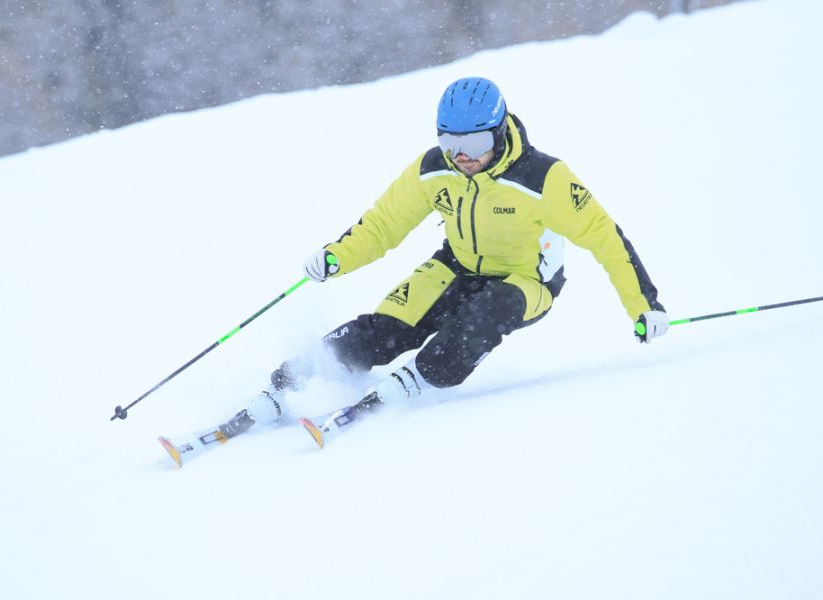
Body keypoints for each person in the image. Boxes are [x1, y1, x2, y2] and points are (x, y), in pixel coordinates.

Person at [214, 76, 669, 446]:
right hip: (457, 265)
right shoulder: (435, 168)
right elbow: (382, 225)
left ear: (498, 130)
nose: (462, 155)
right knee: (386, 327)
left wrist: (643, 305)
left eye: (473, 141)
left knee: (483, 315)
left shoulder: (544, 177)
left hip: (527, 279)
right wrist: (337, 256)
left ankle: (419, 377)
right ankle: (291, 379)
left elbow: (607, 239)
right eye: (451, 141)